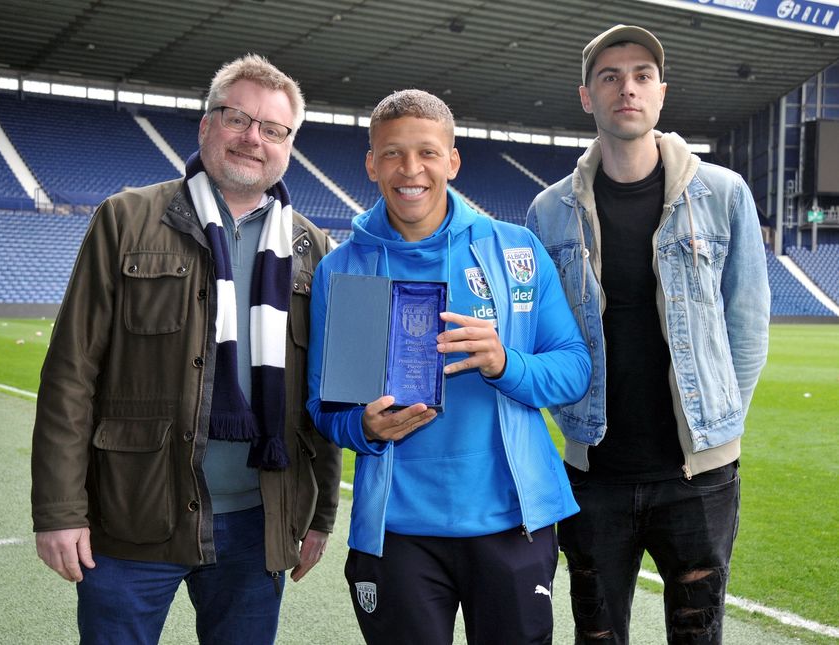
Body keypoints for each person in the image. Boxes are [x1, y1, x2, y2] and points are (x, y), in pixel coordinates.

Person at [31, 54, 342, 645]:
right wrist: (59, 510)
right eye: (237, 118)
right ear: (206, 125)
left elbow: (321, 394)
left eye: (273, 129)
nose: (253, 138)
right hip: (133, 514)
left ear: (288, 145)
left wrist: (319, 514)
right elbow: (70, 375)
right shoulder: (126, 220)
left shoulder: (313, 249)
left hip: (258, 523)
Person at [306, 89, 592, 645]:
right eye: (392, 153)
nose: (410, 169)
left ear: (452, 161)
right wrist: (364, 428)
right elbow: (325, 408)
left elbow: (574, 370)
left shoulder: (515, 251)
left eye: (427, 153)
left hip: (511, 521)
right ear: (371, 163)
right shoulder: (345, 269)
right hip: (397, 531)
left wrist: (505, 363)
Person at [526, 25, 771, 644]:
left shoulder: (723, 194)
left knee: (698, 636)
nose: (627, 89)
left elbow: (747, 325)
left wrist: (718, 424)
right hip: (594, 471)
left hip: (699, 477)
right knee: (597, 635)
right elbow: (540, 337)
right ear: (587, 97)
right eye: (609, 77)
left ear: (662, 92)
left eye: (642, 76)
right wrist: (573, 421)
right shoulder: (548, 212)